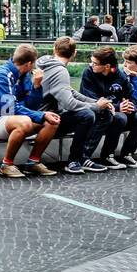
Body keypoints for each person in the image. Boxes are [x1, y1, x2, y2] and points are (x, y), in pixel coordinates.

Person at [0, 43, 60, 177]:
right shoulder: (2, 75)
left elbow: (31, 107)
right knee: (25, 122)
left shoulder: (24, 76)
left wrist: (37, 86)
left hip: (13, 118)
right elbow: (9, 109)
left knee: (53, 121)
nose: (34, 67)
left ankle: (33, 163)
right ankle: (6, 165)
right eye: (33, 64)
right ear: (29, 64)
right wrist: (42, 114)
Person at [37, 37, 112, 173]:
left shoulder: (47, 63)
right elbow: (70, 103)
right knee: (87, 115)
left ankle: (83, 158)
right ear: (74, 53)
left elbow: (71, 92)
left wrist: (95, 102)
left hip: (39, 115)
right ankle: (75, 160)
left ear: (54, 49)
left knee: (97, 112)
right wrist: (96, 107)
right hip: (45, 120)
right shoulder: (60, 71)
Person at [80, 46, 137, 168]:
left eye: (95, 63)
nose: (91, 65)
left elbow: (130, 95)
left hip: (117, 111)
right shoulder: (89, 73)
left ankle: (126, 154)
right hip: (98, 113)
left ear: (107, 66)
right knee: (120, 118)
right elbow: (92, 101)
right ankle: (107, 156)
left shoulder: (119, 75)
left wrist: (130, 106)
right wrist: (118, 107)